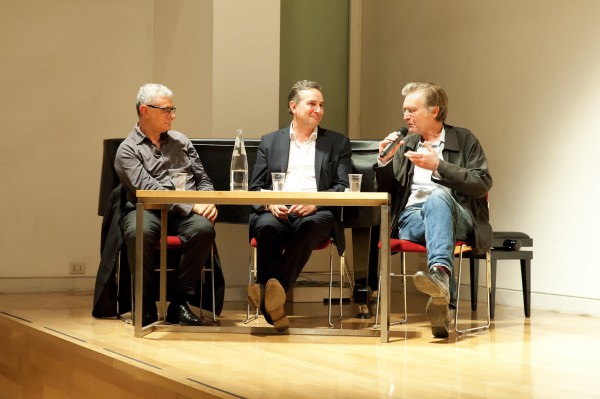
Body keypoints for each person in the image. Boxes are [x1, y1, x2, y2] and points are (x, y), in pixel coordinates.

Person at [374, 82, 492, 338]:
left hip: (457, 214)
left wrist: (439, 166)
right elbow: (387, 191)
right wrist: (383, 160)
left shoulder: (464, 139)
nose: (406, 116)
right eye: (404, 110)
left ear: (434, 111)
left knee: (438, 197)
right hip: (412, 219)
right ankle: (442, 290)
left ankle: (439, 280)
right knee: (432, 206)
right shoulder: (406, 143)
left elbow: (482, 182)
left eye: (412, 110)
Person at [247, 80, 352, 331]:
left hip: (316, 212)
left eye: (322, 105)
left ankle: (268, 288)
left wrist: (315, 202)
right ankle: (275, 303)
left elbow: (343, 186)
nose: (318, 109)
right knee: (266, 226)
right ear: (293, 106)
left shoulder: (337, 143)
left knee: (313, 225)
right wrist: (270, 204)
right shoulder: (270, 141)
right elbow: (255, 188)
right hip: (278, 210)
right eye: (312, 104)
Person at [115, 83, 218, 326]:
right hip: (147, 208)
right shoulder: (127, 150)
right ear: (145, 110)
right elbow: (149, 190)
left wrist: (208, 201)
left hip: (187, 209)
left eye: (173, 109)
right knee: (139, 231)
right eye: (166, 110)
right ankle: (146, 303)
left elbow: (203, 179)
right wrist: (192, 206)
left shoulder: (181, 141)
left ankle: (180, 303)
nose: (172, 115)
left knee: (203, 229)